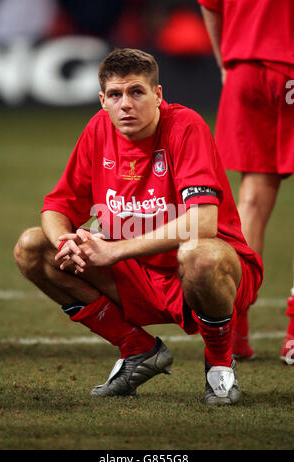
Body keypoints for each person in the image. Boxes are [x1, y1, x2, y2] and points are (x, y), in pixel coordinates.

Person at [14, 48, 263, 404]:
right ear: (102, 100)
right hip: (136, 276)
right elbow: (57, 206)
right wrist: (65, 240)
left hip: (204, 272)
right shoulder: (98, 130)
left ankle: (219, 364)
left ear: (158, 95)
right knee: (33, 246)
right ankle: (136, 349)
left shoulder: (185, 125)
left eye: (136, 92)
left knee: (199, 253)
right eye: (115, 95)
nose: (125, 104)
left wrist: (114, 249)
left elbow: (203, 222)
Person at [198, 0, 294, 362]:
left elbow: (210, 6)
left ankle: (234, 330)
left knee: (251, 201)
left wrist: (225, 60)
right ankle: (293, 338)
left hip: (245, 68)